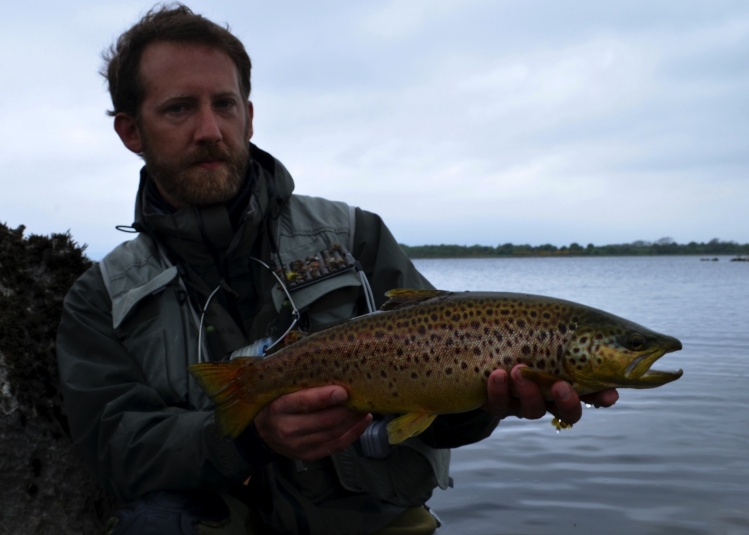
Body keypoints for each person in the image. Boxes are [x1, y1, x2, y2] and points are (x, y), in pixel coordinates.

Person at [56, 4, 618, 535]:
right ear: (131, 132)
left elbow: (445, 414)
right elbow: (117, 449)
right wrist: (250, 434)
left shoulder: (355, 238)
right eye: (180, 108)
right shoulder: (100, 297)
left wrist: (490, 403)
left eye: (224, 104)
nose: (210, 129)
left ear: (249, 117)